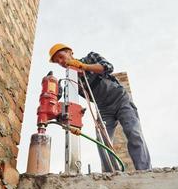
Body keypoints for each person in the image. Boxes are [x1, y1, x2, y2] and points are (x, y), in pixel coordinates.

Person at [49, 43, 151, 171]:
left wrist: (84, 66)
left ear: (69, 52)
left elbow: (108, 67)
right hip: (103, 109)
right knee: (102, 141)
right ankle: (113, 173)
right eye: (57, 61)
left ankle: (144, 170)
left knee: (133, 132)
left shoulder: (90, 57)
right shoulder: (71, 80)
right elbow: (68, 103)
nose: (61, 61)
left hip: (120, 99)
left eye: (61, 56)